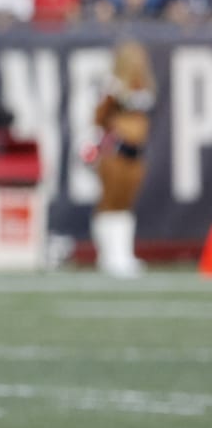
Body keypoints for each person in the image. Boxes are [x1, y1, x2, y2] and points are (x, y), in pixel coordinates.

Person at [89, 40, 154, 278]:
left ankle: (123, 253)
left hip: (135, 153)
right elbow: (98, 118)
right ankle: (108, 255)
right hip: (114, 150)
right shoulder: (112, 87)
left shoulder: (143, 88)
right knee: (111, 201)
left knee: (126, 203)